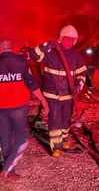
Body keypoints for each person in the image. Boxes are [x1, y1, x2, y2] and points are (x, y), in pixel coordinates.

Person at [0, 38, 48, 177]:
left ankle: (9, 168)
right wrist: (43, 100)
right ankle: (10, 164)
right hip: (18, 106)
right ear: (10, 48)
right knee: (21, 134)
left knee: (4, 137)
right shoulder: (21, 61)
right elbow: (31, 83)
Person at [29, 25, 87, 157]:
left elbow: (82, 73)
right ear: (60, 39)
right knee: (54, 119)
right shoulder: (50, 52)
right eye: (66, 39)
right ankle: (56, 146)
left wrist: (78, 85)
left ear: (75, 41)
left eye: (72, 40)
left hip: (68, 95)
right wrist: (44, 46)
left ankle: (64, 139)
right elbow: (33, 55)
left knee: (66, 119)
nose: (69, 42)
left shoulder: (76, 56)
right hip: (52, 94)